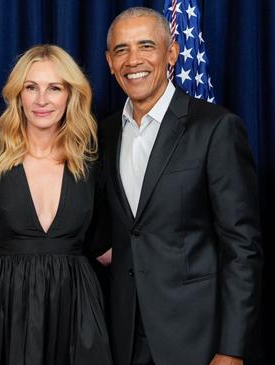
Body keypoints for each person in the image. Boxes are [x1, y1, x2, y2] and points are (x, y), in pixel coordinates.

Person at [99, 7, 263, 365]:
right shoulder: (105, 134)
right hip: (124, 337)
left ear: (170, 53)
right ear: (110, 62)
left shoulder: (215, 128)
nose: (134, 60)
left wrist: (231, 349)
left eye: (146, 45)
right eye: (122, 50)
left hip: (197, 339)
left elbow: (243, 247)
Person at [0, 44, 112, 365]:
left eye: (54, 88)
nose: (42, 100)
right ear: (18, 95)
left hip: (76, 310)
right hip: (3, 308)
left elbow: (108, 247)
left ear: (71, 95)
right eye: (32, 87)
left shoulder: (94, 162)